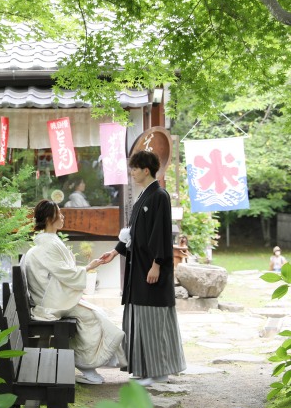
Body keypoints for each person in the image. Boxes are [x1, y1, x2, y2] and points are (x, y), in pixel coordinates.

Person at [99, 150, 186, 386]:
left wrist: (157, 264)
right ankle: (145, 369)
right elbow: (133, 233)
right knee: (140, 318)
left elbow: (161, 233)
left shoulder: (159, 195)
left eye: (135, 169)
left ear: (146, 170)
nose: (132, 173)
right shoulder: (144, 196)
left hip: (151, 268)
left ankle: (158, 373)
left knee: (153, 320)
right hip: (139, 267)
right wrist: (115, 251)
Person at [22, 200, 127, 385]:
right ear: (49, 218)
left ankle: (89, 365)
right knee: (93, 317)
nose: (62, 216)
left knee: (97, 313)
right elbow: (65, 273)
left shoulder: (48, 241)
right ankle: (87, 366)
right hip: (51, 302)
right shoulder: (49, 244)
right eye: (59, 213)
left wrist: (84, 272)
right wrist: (88, 267)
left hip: (52, 297)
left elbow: (62, 272)